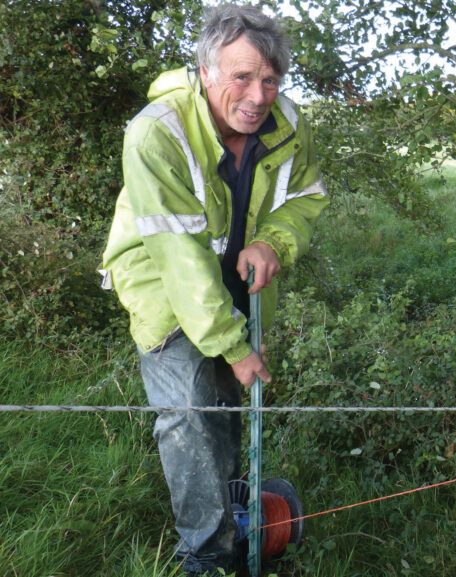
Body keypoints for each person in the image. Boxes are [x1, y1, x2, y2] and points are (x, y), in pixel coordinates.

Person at [100, 4, 326, 575]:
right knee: (189, 414)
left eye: (270, 79)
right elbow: (178, 257)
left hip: (237, 280)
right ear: (205, 72)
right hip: (161, 277)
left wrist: (273, 241)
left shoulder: (290, 125)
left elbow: (305, 196)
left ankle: (241, 522)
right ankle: (208, 557)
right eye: (241, 76)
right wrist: (234, 343)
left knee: (227, 407)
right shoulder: (157, 130)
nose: (258, 94)